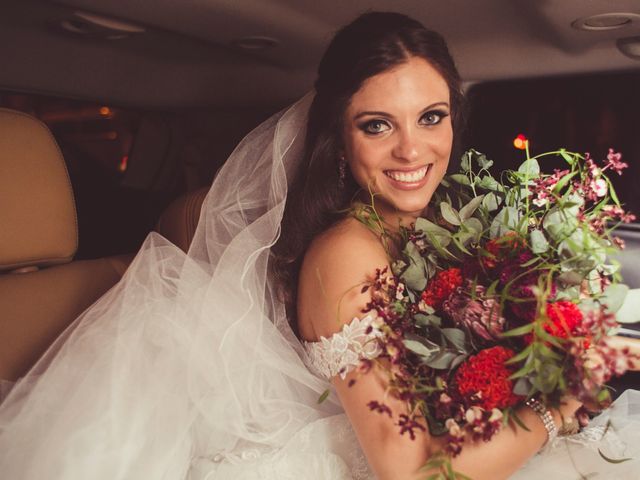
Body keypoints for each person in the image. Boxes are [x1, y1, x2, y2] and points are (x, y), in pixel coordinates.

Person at [0, 11, 639, 480]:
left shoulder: (435, 229)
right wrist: (556, 406)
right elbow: (410, 472)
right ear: (340, 135)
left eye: (432, 117)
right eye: (377, 125)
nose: (412, 151)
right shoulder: (345, 256)